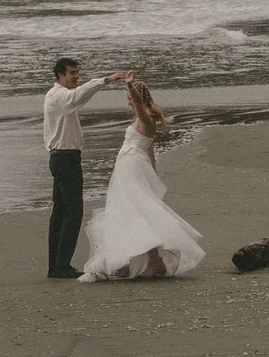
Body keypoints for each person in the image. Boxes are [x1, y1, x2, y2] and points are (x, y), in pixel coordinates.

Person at [77, 78, 205, 281]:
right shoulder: (143, 120)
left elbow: (138, 104)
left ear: (139, 98)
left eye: (130, 98)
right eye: (128, 98)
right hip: (129, 165)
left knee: (135, 208)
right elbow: (150, 149)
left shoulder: (145, 117)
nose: (129, 102)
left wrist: (130, 85)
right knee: (126, 209)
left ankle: (153, 259)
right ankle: (133, 259)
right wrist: (153, 174)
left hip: (131, 166)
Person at [42, 56, 133, 279]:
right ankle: (61, 265)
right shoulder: (58, 96)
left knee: (61, 213)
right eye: (72, 73)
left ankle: (56, 266)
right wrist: (107, 79)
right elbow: (78, 96)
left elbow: (77, 96)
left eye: (77, 73)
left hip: (62, 157)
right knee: (72, 212)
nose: (76, 77)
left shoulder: (57, 95)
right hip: (65, 158)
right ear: (60, 76)